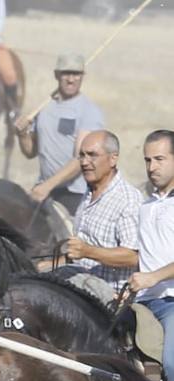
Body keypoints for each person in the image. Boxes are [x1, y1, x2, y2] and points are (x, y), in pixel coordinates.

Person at [51, 130, 140, 297]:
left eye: (92, 155)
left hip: (108, 296)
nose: (85, 162)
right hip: (81, 282)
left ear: (113, 159)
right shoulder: (89, 192)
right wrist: (49, 264)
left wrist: (88, 251)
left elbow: (133, 256)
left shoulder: (127, 200)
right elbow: (81, 253)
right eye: (82, 156)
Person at [16, 53, 104, 215]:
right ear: (56, 75)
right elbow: (30, 152)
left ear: (82, 76)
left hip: (75, 194)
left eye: (76, 74)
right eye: (66, 73)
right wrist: (22, 135)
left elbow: (81, 160)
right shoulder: (45, 107)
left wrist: (47, 186)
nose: (71, 79)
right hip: (44, 190)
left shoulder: (89, 111)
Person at [130, 130, 174, 381]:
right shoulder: (146, 205)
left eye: (159, 159)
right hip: (143, 302)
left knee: (171, 365)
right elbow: (144, 255)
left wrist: (152, 277)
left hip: (172, 302)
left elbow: (153, 270)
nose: (151, 167)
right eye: (147, 160)